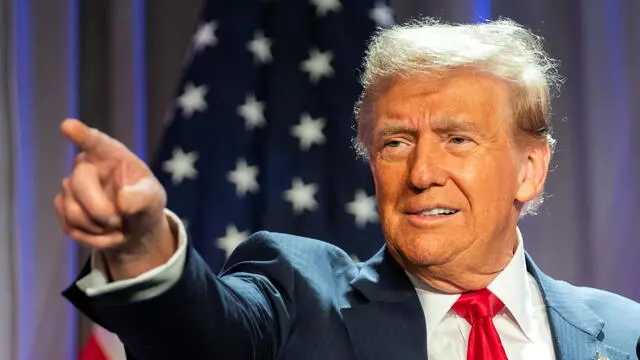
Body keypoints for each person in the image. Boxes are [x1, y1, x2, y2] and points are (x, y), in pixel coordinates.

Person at [57, 18, 640, 360]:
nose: (421, 173)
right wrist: (139, 247)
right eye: (395, 143)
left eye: (458, 139)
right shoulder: (298, 297)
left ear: (530, 169)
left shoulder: (622, 333)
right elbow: (203, 335)